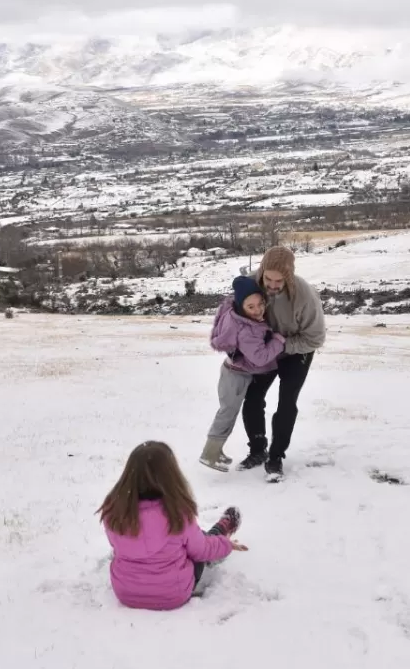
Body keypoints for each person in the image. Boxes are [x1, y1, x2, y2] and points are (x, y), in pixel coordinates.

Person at [99, 441, 248, 611]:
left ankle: (217, 532)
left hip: (126, 592)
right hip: (173, 594)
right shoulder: (177, 513)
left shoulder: (114, 509)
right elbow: (201, 551)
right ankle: (220, 530)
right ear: (170, 475)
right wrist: (226, 544)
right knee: (198, 543)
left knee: (183, 543)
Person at [239, 246, 327, 481]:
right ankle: (257, 450)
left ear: (288, 276)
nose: (272, 285)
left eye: (279, 281)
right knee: (252, 397)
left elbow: (315, 338)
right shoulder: (249, 285)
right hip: (265, 350)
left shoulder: (305, 296)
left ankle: (276, 457)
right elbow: (233, 317)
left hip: (297, 350)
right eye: (268, 278)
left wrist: (281, 345)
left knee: (287, 402)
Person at [201, 275, 287, 472]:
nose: (258, 310)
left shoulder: (233, 314)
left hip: (231, 370)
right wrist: (278, 340)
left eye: (260, 304)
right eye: (251, 307)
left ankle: (215, 450)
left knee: (227, 411)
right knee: (227, 413)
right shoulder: (247, 330)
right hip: (237, 376)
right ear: (241, 306)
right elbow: (260, 357)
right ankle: (210, 454)